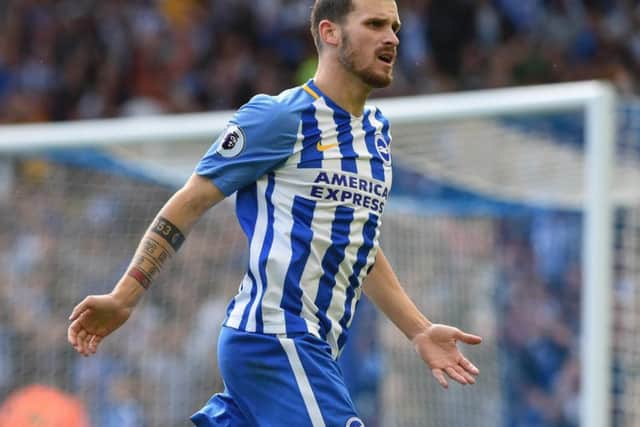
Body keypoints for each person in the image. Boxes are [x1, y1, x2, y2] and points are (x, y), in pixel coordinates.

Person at [67, 0, 483, 425]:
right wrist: (125, 295)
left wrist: (418, 329)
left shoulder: (375, 134)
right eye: (375, 24)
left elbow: (358, 244)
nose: (391, 37)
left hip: (309, 349)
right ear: (330, 32)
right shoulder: (280, 117)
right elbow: (191, 200)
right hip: (275, 337)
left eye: (394, 26)